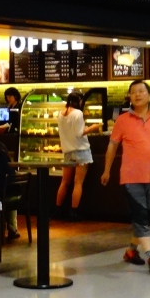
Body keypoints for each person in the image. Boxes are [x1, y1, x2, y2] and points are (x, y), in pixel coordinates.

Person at [101, 80, 150, 274]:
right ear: (129, 96)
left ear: (149, 95)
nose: (137, 95)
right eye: (133, 92)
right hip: (130, 177)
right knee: (140, 215)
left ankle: (131, 251)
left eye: (141, 91)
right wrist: (106, 170)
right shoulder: (122, 120)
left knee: (147, 216)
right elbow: (112, 146)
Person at [55, 91, 97, 220]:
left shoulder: (60, 114)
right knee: (78, 183)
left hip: (67, 151)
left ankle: (57, 210)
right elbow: (79, 133)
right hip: (81, 150)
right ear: (79, 101)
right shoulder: (78, 113)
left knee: (65, 182)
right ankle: (73, 212)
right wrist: (93, 127)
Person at [0, 138, 20, 241]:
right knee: (10, 194)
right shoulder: (2, 154)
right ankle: (13, 229)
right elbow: (12, 172)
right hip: (15, 195)